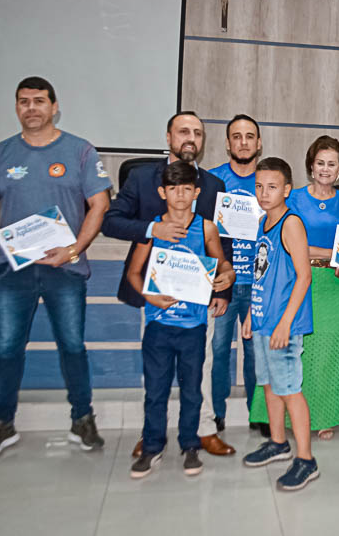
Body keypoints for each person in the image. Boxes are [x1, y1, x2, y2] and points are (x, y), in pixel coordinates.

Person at [0, 76, 111, 458]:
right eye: (23, 101)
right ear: (17, 107)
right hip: (12, 272)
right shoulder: (0, 154)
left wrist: (74, 249)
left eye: (39, 101)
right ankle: (2, 423)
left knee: (72, 346)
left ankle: (83, 420)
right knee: (7, 348)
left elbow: (99, 205)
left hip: (65, 270)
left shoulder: (80, 151)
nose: (31, 108)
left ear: (54, 106)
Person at [101, 111, 236, 457]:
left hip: (199, 299)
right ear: (168, 137)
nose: (191, 138)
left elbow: (224, 243)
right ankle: (152, 435)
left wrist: (223, 288)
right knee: (156, 374)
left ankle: (204, 430)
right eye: (183, 131)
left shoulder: (213, 185)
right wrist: (152, 229)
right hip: (156, 296)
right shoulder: (143, 178)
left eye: (198, 133)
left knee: (201, 365)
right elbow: (111, 222)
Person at [126, 161, 235, 478]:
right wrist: (149, 296)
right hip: (159, 325)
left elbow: (224, 267)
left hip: (194, 327)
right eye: (173, 189)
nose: (180, 195)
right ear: (163, 192)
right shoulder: (154, 229)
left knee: (192, 389)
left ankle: (190, 445)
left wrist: (225, 278)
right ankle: (151, 447)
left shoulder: (206, 228)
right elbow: (134, 273)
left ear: (197, 192)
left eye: (187, 188)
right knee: (156, 391)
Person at [249, 136, 339, 438]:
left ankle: (325, 416)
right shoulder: (291, 198)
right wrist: (333, 252)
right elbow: (292, 246)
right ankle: (285, 420)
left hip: (335, 286)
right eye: (320, 163)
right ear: (311, 166)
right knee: (300, 352)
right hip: (297, 280)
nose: (325, 169)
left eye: (332, 164)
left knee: (328, 353)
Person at [240, 158, 319, 491]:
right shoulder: (262, 222)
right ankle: (278, 442)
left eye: (272, 186)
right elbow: (262, 274)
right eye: (259, 186)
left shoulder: (291, 224)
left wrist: (285, 323)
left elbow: (304, 276)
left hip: (283, 326)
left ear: (287, 189)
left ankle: (306, 460)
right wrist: (249, 316)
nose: (264, 192)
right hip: (262, 320)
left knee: (290, 390)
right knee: (269, 385)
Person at [207, 114, 264, 435]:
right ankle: (215, 413)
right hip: (221, 282)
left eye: (249, 136)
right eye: (237, 136)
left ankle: (258, 413)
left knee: (257, 353)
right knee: (216, 351)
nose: (243, 142)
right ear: (228, 143)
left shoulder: (267, 181)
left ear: (258, 143)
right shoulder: (212, 181)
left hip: (258, 283)